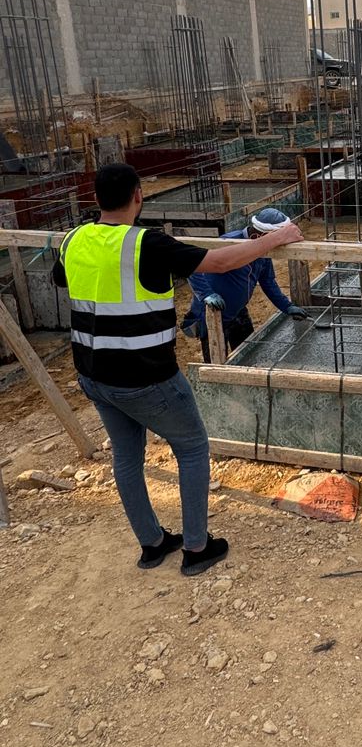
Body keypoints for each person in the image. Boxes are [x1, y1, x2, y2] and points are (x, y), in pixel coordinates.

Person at [54, 164, 302, 575]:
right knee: (191, 448)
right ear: (138, 196)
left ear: (95, 199)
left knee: (127, 458)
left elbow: (64, 280)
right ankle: (196, 548)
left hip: (94, 375)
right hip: (146, 377)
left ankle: (152, 544)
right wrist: (276, 238)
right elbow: (217, 263)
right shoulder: (145, 243)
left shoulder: (72, 240)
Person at [183, 207, 309, 360]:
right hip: (213, 312)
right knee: (216, 360)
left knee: (247, 355)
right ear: (259, 236)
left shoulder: (264, 252)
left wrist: (287, 306)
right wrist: (206, 294)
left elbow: (268, 281)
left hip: (238, 311)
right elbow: (192, 265)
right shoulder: (228, 242)